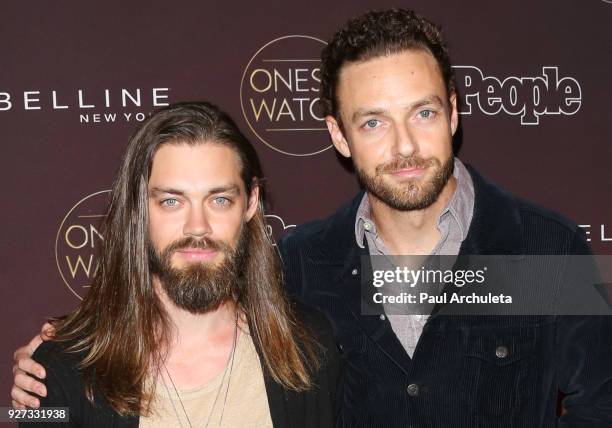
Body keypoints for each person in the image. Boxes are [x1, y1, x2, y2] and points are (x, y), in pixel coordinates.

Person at [12, 8, 612, 427]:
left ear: (453, 113)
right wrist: (49, 364)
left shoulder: (548, 249)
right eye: (373, 121)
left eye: (423, 113)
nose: (404, 147)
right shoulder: (303, 265)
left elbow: (600, 404)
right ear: (339, 135)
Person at [13, 102, 341, 427]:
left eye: (219, 200)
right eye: (171, 201)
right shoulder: (59, 370)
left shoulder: (309, 350)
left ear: (251, 202)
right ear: (138, 207)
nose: (197, 226)